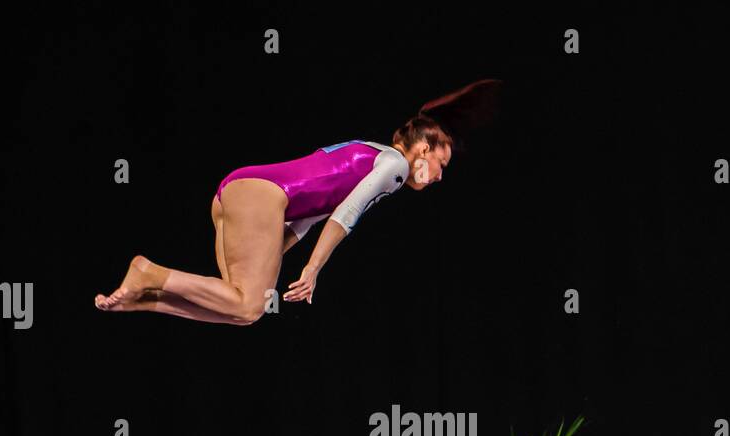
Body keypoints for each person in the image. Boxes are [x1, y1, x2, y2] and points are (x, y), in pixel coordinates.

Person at [93, 79, 502, 326]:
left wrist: (276, 251)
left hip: (240, 194)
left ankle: (144, 301)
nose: (440, 176)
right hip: (264, 196)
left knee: (243, 310)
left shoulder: (369, 153)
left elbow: (308, 217)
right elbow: (346, 214)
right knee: (249, 301)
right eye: (440, 163)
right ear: (424, 147)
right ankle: (148, 271)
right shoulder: (394, 164)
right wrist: (312, 270)